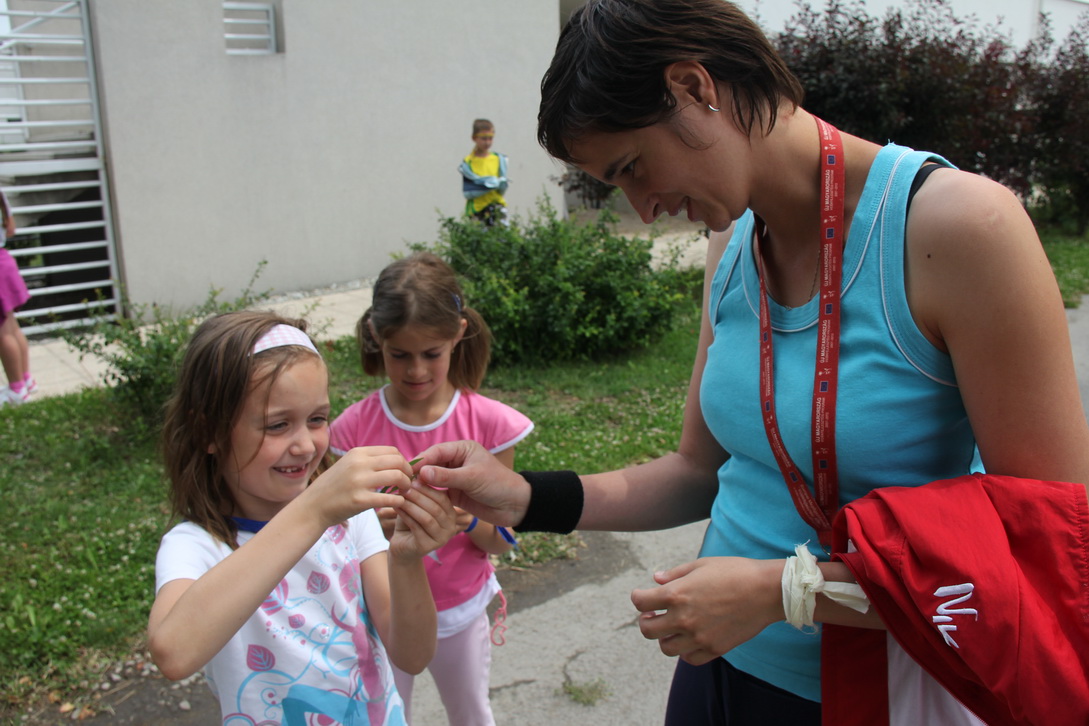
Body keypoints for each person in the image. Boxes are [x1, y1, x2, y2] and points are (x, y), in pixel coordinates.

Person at [406, 1, 1089, 724]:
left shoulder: (958, 228)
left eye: (633, 167)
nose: (643, 208)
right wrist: (523, 497)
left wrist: (785, 592)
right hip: (718, 670)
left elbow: (1048, 550)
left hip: (874, 694)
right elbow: (697, 472)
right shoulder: (730, 243)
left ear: (693, 88)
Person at [147, 310, 458, 725]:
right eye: (277, 425)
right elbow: (173, 653)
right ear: (210, 432)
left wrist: (406, 559)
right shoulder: (197, 546)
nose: (306, 446)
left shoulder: (352, 520)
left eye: (317, 419)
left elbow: (413, 656)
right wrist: (314, 509)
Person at [330, 252, 531, 726]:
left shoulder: (491, 425)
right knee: (385, 717)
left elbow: (503, 539)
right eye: (400, 355)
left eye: (431, 354)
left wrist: (469, 518)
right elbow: (333, 539)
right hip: (383, 617)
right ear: (376, 336)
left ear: (458, 334)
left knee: (470, 713)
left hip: (461, 613)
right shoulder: (349, 431)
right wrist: (371, 527)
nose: (416, 370)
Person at [0, 187, 36, 407]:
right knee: (12, 327)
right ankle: (25, 380)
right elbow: (10, 229)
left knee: (3, 332)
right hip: (4, 260)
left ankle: (16, 390)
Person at [459, 119, 509, 226]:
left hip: (497, 206)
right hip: (477, 209)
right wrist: (487, 184)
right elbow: (468, 191)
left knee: (501, 235)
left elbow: (502, 188)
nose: (487, 142)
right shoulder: (468, 162)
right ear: (474, 138)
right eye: (483, 138)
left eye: (490, 138)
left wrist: (500, 184)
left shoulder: (499, 159)